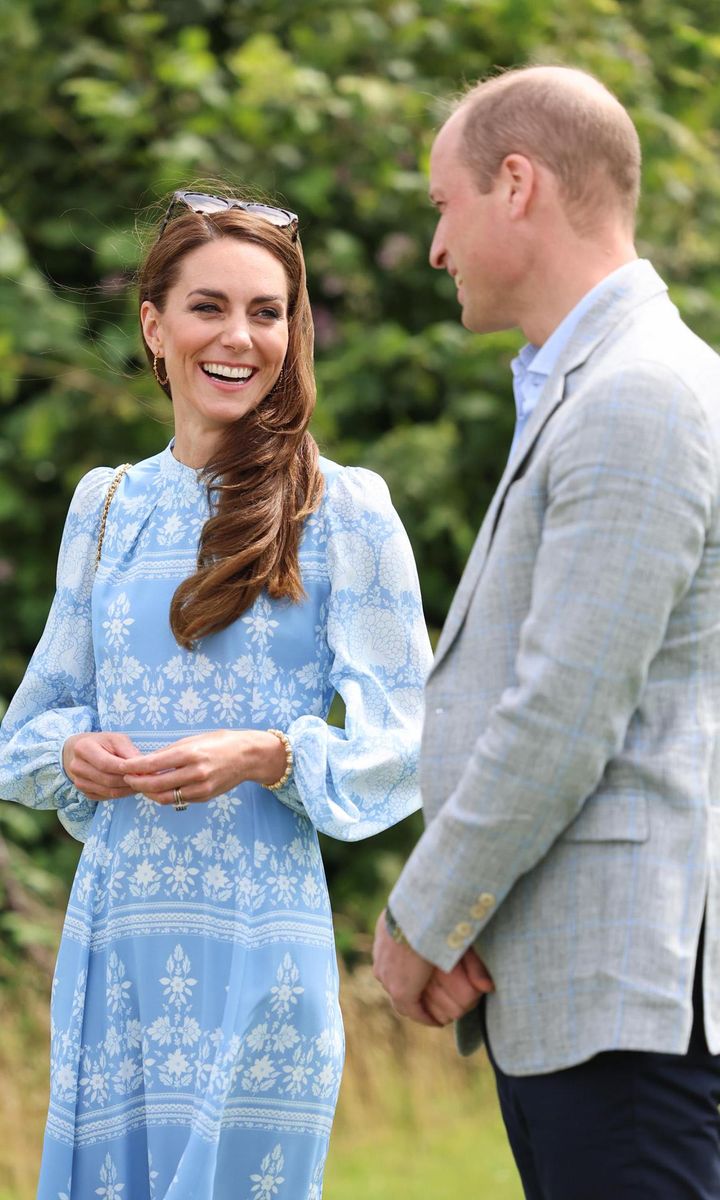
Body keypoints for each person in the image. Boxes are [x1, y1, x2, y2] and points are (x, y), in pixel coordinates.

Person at [0, 189, 432, 1199]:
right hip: (117, 949)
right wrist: (72, 754)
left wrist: (269, 753)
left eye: (268, 311)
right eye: (208, 307)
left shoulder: (345, 510)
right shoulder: (103, 506)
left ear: (294, 329)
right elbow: (24, 735)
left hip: (258, 952)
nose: (240, 337)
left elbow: (417, 736)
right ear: (154, 327)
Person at [372, 65, 720, 1199]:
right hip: (584, 996)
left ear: (515, 183)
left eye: (443, 204)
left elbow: (565, 711)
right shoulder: (601, 383)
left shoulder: (637, 392)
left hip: (629, 1009)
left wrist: (423, 917)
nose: (437, 246)